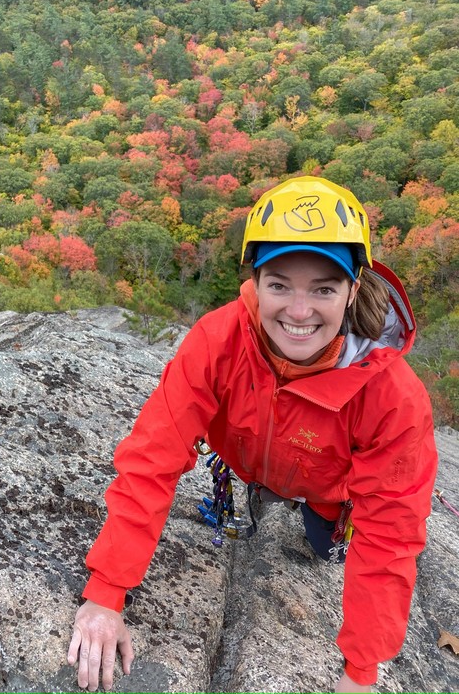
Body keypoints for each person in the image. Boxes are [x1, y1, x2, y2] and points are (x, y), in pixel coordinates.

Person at [66, 176, 438, 693]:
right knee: (263, 500)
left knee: (324, 551)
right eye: (280, 284)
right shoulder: (219, 342)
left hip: (329, 491)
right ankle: (265, 493)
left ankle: (308, 513)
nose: (299, 310)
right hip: (248, 459)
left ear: (354, 289)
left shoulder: (392, 396)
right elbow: (154, 455)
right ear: (256, 282)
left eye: (324, 288)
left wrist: (360, 673)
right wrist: (106, 594)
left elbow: (390, 535)